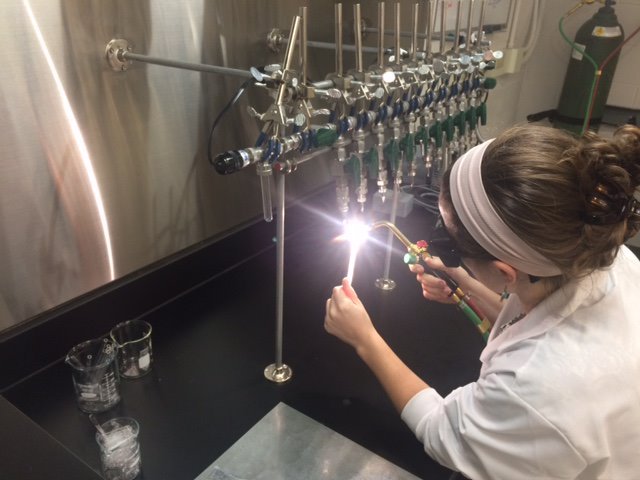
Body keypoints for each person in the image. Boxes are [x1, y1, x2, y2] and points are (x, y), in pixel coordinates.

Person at [324, 124, 640, 480]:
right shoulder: (602, 255)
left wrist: (364, 338)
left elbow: (442, 431)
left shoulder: (533, 390)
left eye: (450, 241)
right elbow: (540, 317)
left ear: (505, 272)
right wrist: (462, 279)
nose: (439, 240)